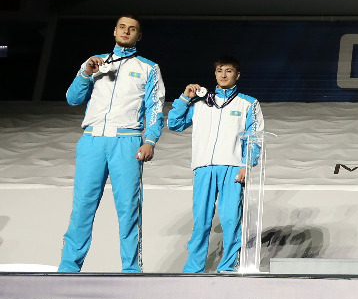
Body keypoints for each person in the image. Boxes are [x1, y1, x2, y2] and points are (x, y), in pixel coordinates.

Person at [58, 15, 165, 273]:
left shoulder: (148, 68)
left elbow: (155, 107)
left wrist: (150, 140)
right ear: (114, 31)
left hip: (127, 141)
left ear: (139, 36)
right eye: (122, 27)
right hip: (92, 140)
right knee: (82, 206)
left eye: (132, 29)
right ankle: (68, 269)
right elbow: (73, 99)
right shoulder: (94, 62)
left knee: (128, 209)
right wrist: (86, 73)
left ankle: (131, 270)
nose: (126, 31)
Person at [167, 56, 264, 273]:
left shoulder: (248, 103)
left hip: (232, 167)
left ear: (237, 75)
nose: (223, 74)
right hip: (204, 167)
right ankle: (193, 269)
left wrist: (246, 165)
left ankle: (227, 267)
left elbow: (255, 138)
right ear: (215, 74)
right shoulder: (200, 102)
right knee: (201, 221)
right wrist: (185, 97)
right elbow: (174, 124)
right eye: (220, 70)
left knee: (230, 219)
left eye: (229, 71)